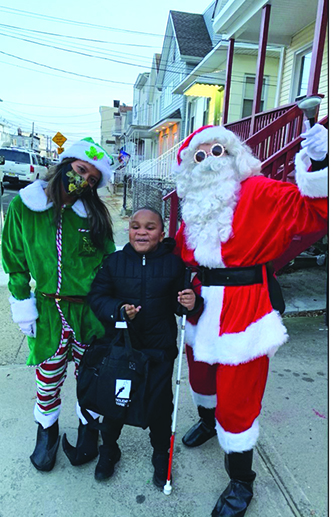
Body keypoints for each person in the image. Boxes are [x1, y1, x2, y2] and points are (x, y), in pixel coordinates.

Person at [173, 123, 328, 516]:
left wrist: (321, 163)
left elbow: (314, 211)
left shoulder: (258, 190)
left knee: (238, 398)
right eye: (199, 155)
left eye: (217, 152)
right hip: (202, 305)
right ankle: (209, 423)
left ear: (235, 155)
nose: (208, 161)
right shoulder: (193, 204)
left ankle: (241, 480)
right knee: (201, 377)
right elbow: (180, 254)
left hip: (245, 308)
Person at [1, 137, 116, 472]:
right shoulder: (25, 206)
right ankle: (47, 431)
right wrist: (22, 304)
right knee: (48, 377)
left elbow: (108, 263)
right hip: (48, 312)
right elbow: (15, 261)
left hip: (88, 313)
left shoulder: (93, 214)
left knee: (90, 377)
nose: (83, 181)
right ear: (66, 164)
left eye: (92, 179)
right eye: (81, 170)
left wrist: (110, 306)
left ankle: (88, 430)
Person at [88, 207, 202, 487]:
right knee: (116, 401)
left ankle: (161, 453)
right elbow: (97, 297)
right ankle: (109, 449)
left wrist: (191, 302)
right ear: (128, 231)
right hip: (121, 348)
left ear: (162, 234)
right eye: (135, 226)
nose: (141, 232)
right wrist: (117, 309)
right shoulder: (113, 263)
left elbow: (182, 304)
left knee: (160, 405)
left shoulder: (174, 266)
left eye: (150, 228)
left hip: (158, 348)